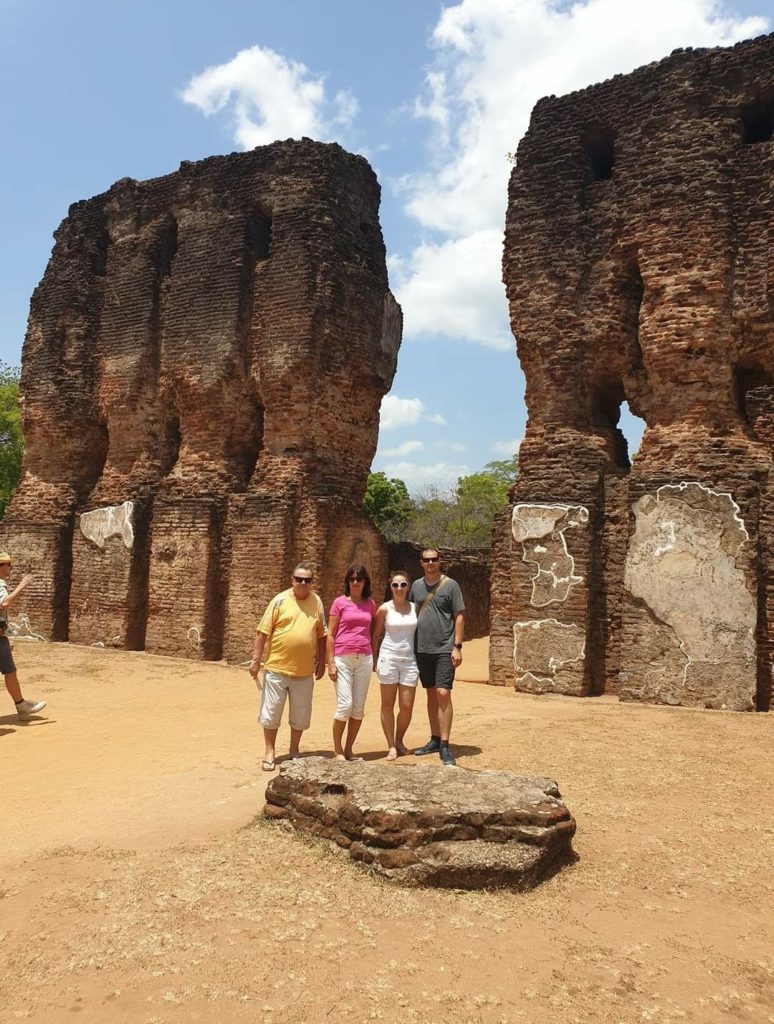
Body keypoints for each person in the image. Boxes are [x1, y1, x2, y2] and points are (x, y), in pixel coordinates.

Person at [248, 563, 327, 772]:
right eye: (299, 579)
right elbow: (262, 632)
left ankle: (294, 750)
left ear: (312, 582)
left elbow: (322, 634)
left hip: (304, 671)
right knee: (271, 713)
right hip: (277, 668)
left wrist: (322, 662)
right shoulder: (280, 600)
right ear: (292, 580)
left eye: (307, 580)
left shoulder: (316, 601)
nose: (303, 583)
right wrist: (256, 660)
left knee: (300, 714)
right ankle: (270, 751)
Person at [410, 548, 465, 766]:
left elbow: (459, 616)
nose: (431, 563)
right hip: (422, 648)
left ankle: (444, 743)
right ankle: (434, 738)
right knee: (431, 693)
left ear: (439, 561)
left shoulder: (450, 585)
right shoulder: (415, 586)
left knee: (443, 692)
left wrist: (457, 646)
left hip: (444, 647)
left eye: (434, 559)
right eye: (427, 560)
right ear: (421, 563)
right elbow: (410, 612)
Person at [327, 564, 377, 762]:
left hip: (364, 657)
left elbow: (371, 631)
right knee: (344, 705)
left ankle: (349, 750)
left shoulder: (370, 604)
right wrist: (330, 663)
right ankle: (337, 750)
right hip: (343, 657)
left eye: (359, 578)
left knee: (358, 708)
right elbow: (330, 634)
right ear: (348, 581)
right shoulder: (339, 603)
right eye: (352, 579)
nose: (356, 582)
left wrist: (374, 655)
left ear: (365, 581)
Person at [372, 570, 418, 761]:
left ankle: (399, 740)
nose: (399, 588)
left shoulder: (415, 608)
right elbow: (375, 635)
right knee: (387, 704)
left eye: (403, 585)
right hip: (388, 658)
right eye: (395, 585)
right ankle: (391, 745)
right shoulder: (384, 608)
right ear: (390, 587)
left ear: (408, 587)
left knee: (406, 706)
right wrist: (374, 660)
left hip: (409, 660)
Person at [0, 552, 47, 721]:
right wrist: (21, 585)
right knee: (10, 672)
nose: (10, 567)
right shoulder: (0, 584)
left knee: (10, 672)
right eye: (7, 564)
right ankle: (22, 707)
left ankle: (22, 707)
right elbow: (4, 603)